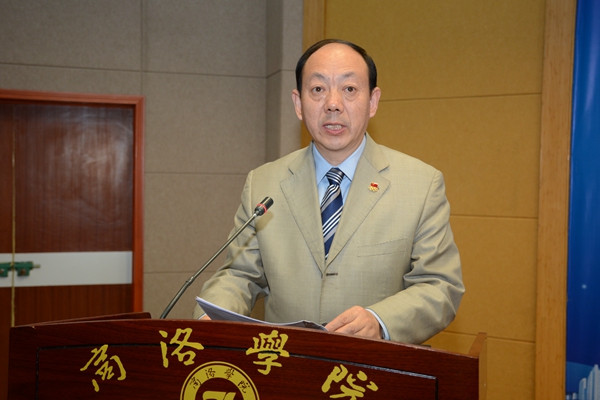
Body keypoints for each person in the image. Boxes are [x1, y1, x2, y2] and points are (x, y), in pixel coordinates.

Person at [194, 39, 464, 344]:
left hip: (373, 366)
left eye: (349, 89)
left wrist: (380, 320)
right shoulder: (263, 182)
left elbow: (440, 286)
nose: (333, 104)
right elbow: (238, 274)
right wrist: (212, 316)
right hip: (284, 363)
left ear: (373, 101)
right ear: (298, 103)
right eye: (318, 89)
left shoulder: (421, 184)